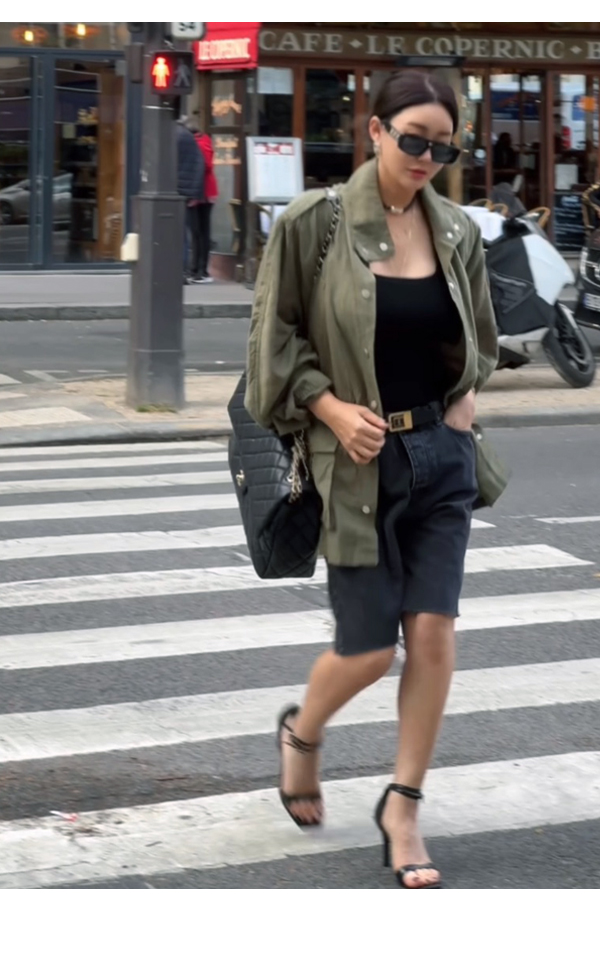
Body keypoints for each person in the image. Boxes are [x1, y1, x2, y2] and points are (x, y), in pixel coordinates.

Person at [245, 70, 507, 889]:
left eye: (444, 146)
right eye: (414, 138)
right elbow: (272, 348)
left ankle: (403, 805)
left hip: (442, 460)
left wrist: (463, 398)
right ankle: (303, 732)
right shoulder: (314, 224)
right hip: (355, 466)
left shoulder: (456, 230)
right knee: (364, 652)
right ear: (375, 131)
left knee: (433, 633)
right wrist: (330, 408)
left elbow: (481, 336)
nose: (427, 156)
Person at [176, 118, 204, 284]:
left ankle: (178, 270)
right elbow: (198, 164)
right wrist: (194, 193)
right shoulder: (187, 137)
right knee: (182, 235)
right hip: (185, 193)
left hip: (174, 190)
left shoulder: (172, 134)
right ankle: (182, 271)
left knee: (176, 234)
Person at [190, 124, 218, 283]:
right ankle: (198, 268)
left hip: (204, 192)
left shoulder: (199, 144)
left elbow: (206, 165)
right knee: (200, 231)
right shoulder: (204, 142)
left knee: (200, 231)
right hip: (204, 191)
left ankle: (201, 269)